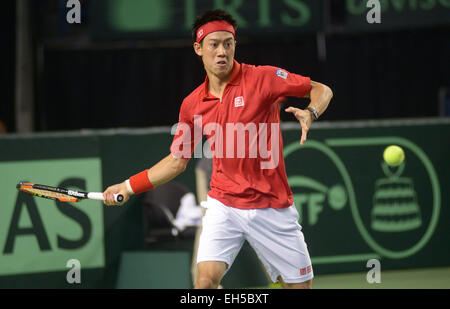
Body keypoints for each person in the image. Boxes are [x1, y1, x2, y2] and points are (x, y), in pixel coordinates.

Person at [103, 9, 333, 289]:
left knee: (299, 287)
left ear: (235, 45)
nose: (222, 51)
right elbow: (177, 162)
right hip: (224, 204)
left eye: (228, 43)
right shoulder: (192, 104)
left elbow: (321, 90)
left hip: (271, 205)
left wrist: (311, 112)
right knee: (205, 283)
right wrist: (128, 186)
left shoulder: (263, 78)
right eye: (214, 44)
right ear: (198, 49)